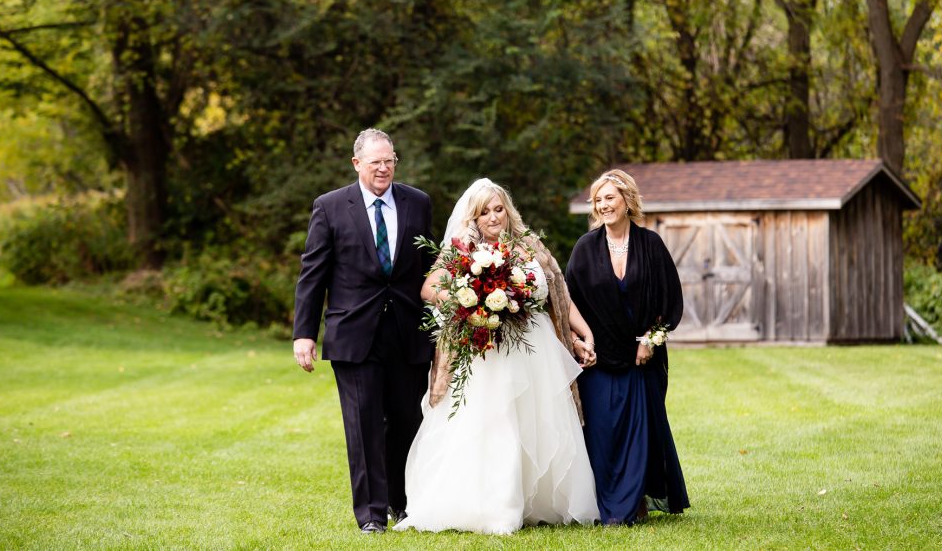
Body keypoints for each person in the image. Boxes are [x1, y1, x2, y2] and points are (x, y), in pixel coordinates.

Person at [393, 178, 600, 534]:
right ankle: (496, 506)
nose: (493, 217)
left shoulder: (529, 244)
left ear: (508, 210)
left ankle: (540, 502)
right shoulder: (462, 249)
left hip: (535, 348)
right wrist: (469, 305)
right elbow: (429, 288)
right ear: (473, 218)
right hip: (486, 352)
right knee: (495, 423)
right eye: (484, 212)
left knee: (537, 422)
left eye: (498, 209)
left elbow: (559, 294)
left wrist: (585, 333)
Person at [292, 129, 435, 534]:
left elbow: (431, 267)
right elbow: (313, 274)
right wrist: (304, 333)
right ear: (357, 164)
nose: (384, 168)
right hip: (354, 334)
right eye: (376, 162)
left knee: (407, 420)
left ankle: (402, 503)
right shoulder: (330, 207)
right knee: (364, 423)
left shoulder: (417, 202)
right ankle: (371, 514)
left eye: (390, 161)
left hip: (407, 331)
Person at [565, 168, 690, 525]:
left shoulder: (651, 245)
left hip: (641, 359)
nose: (603, 205)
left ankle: (636, 500)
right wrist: (577, 341)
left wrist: (650, 339)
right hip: (599, 359)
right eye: (598, 200)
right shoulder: (585, 248)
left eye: (610, 198)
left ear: (627, 200)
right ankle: (606, 502)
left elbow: (670, 300)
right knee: (603, 433)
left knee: (640, 433)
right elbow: (567, 302)